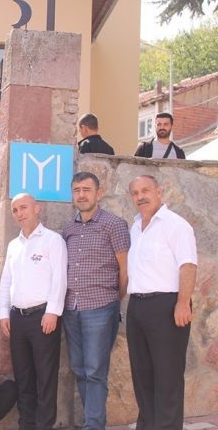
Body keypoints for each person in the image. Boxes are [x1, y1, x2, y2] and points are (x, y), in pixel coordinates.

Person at [126, 175, 197, 430]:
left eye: (145, 190)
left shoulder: (176, 225)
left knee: (168, 377)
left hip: (167, 307)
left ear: (159, 191)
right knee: (142, 375)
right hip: (137, 307)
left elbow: (188, 266)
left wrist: (183, 303)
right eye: (135, 193)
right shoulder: (136, 227)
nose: (140, 196)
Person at [62, 172, 130, 430]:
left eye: (86, 190)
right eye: (77, 190)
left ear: (98, 193)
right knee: (79, 369)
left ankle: (93, 426)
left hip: (101, 308)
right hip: (72, 308)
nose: (81, 195)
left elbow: (125, 269)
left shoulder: (114, 224)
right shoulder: (68, 228)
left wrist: (113, 298)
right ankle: (93, 421)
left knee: (95, 371)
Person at [0, 193, 67, 430]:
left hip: (43, 318)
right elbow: (6, 281)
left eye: (24, 207)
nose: (19, 213)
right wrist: (3, 313)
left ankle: (44, 426)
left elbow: (60, 278)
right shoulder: (13, 245)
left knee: (46, 377)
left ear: (37, 208)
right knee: (23, 376)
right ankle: (26, 424)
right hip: (17, 319)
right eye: (15, 210)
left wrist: (53, 312)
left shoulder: (52, 240)